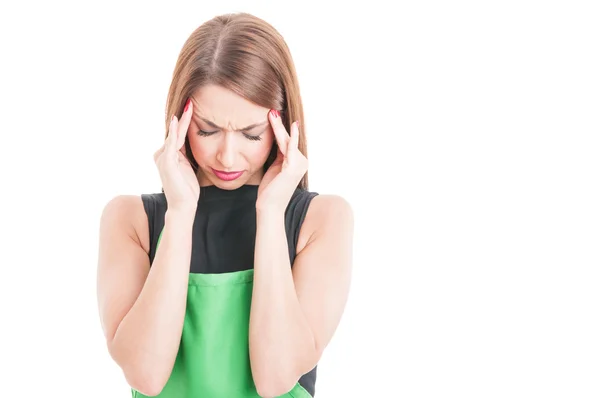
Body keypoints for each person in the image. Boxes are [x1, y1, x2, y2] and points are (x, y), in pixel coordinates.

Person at [96, 12, 353, 398]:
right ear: (179, 122)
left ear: (283, 126)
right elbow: (146, 376)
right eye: (208, 130)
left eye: (251, 134)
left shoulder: (322, 220)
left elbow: (275, 378)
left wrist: (270, 214)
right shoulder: (129, 219)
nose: (227, 158)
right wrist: (180, 214)